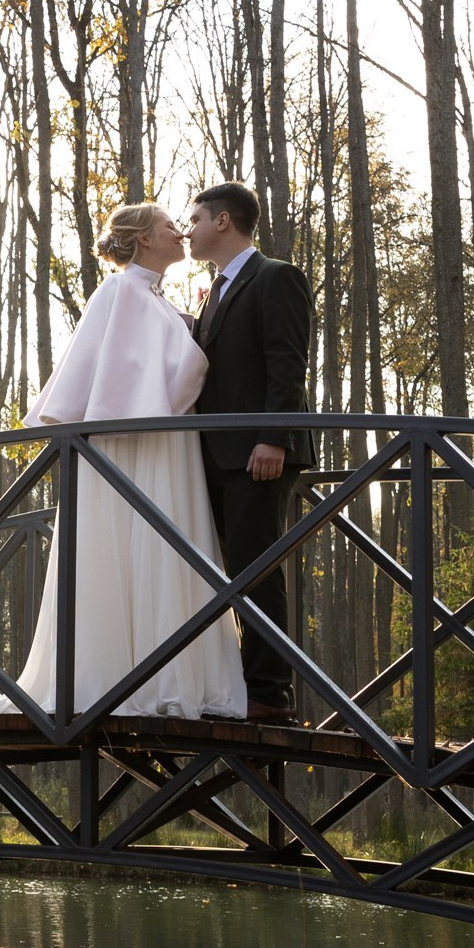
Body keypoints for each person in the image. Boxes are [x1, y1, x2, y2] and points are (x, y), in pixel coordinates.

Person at [0, 201, 246, 720]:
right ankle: (126, 676)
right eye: (169, 226)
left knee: (166, 548)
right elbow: (136, 385)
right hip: (136, 450)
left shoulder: (151, 297)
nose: (180, 232)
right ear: (144, 239)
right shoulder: (121, 290)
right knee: (138, 546)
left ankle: (167, 671)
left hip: (167, 446)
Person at [184, 180, 315, 723]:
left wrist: (273, 436)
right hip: (215, 454)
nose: (188, 231)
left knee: (255, 569)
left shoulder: (275, 277)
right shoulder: (214, 292)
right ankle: (238, 683)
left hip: (258, 451)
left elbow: (287, 362)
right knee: (233, 571)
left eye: (194, 220)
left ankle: (269, 693)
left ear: (223, 221)